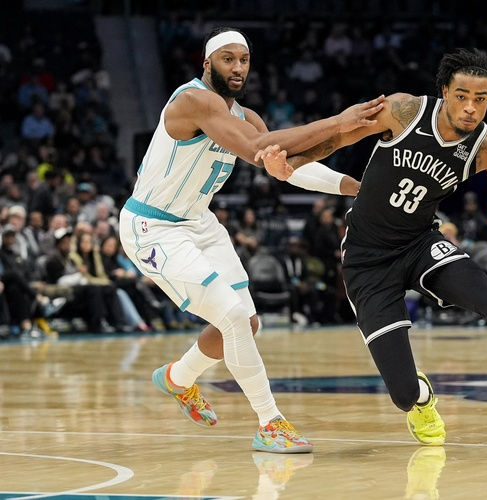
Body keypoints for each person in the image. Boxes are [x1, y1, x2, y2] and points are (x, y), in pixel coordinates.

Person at [257, 48, 487, 446]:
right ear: (444, 92)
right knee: (403, 394)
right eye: (462, 96)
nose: (471, 107)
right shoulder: (403, 111)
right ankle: (421, 397)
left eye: (481, 99)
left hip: (420, 242)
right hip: (367, 260)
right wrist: (293, 162)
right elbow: (336, 139)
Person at [118, 27, 385, 454]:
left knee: (247, 321)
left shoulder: (246, 117)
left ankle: (177, 378)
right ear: (207, 64)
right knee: (232, 316)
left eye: (243, 59)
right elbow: (257, 147)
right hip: (153, 227)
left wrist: (357, 186)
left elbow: (290, 166)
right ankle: (270, 423)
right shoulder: (192, 100)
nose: (238, 67)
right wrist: (338, 121)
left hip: (198, 222)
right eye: (228, 59)